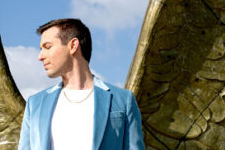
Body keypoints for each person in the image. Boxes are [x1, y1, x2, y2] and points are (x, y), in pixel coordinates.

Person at [17, 18, 145, 150]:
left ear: (73, 46)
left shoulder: (123, 100)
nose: (40, 56)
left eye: (48, 47)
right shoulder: (35, 104)